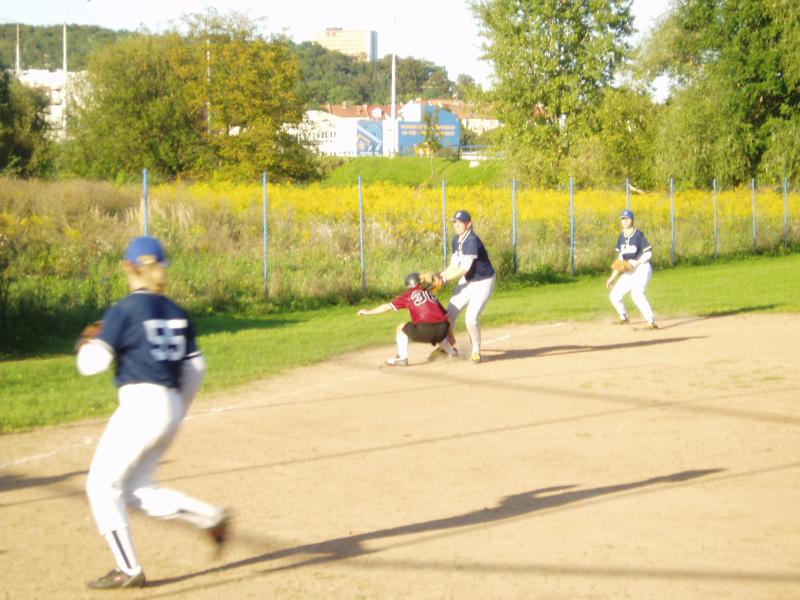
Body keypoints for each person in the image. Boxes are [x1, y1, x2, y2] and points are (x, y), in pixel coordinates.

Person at [76, 235, 229, 590]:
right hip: (169, 405)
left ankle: (127, 569)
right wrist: (176, 411)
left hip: (140, 405)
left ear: (128, 268)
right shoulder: (177, 311)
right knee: (137, 488)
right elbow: (197, 368)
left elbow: (92, 364)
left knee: (101, 485)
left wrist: (87, 343)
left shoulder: (125, 309)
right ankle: (211, 517)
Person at [357, 272, 457, 366]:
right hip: (442, 329)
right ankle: (451, 352)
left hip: (426, 330)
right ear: (419, 282)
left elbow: (387, 306)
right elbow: (448, 319)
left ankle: (402, 357)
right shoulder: (429, 294)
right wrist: (451, 336)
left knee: (401, 327)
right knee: (437, 326)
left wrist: (368, 312)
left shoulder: (407, 295)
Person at [437, 210, 496, 363]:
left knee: (471, 319)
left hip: (483, 282)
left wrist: (444, 280)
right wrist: (440, 276)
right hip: (468, 281)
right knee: (448, 315)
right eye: (454, 222)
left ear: (468, 224)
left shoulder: (472, 240)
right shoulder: (456, 240)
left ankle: (476, 351)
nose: (456, 225)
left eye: (459, 222)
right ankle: (447, 345)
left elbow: (465, 268)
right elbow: (454, 264)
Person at [606, 209, 658, 329]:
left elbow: (648, 254)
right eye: (623, 219)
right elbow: (620, 262)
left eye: (627, 218)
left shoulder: (638, 235)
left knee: (637, 294)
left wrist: (637, 262)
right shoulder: (621, 238)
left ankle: (652, 322)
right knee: (614, 295)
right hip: (630, 271)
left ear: (633, 220)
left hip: (643, 268)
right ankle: (624, 317)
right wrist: (612, 278)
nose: (625, 220)